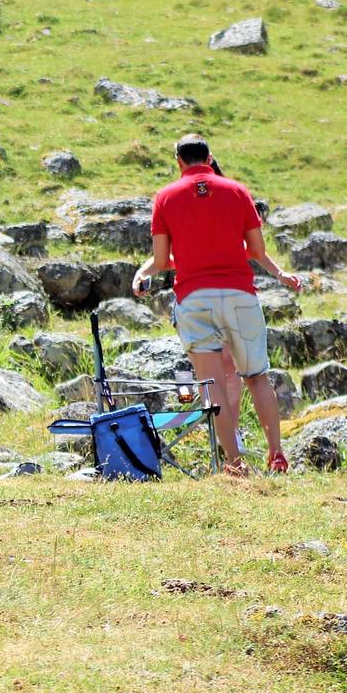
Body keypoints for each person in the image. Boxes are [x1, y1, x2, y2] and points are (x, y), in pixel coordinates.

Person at [134, 135, 303, 476]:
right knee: (257, 377)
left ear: (178, 160)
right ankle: (276, 455)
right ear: (209, 158)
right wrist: (278, 272)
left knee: (212, 387)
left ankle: (234, 463)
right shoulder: (237, 191)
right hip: (240, 295)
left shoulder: (165, 197)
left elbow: (162, 259)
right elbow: (255, 250)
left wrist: (142, 273)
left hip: (195, 299)